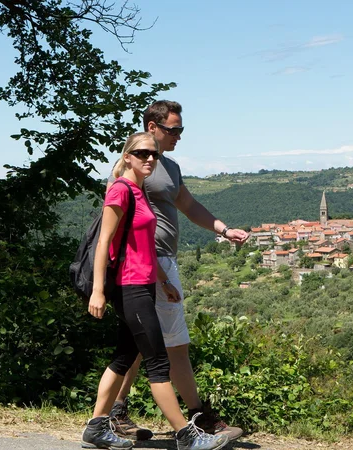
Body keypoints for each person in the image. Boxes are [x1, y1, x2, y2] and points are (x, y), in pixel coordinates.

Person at [106, 102, 250, 441]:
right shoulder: (137, 168)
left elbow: (187, 205)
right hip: (149, 264)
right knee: (171, 346)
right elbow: (123, 223)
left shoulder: (168, 167)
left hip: (161, 262)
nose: (179, 137)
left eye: (181, 130)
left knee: (143, 344)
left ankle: (114, 413)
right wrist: (161, 275)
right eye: (174, 130)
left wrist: (222, 229)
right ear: (152, 127)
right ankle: (198, 419)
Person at [82, 132, 228, 450]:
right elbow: (103, 242)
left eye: (155, 154)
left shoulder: (139, 192)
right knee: (158, 362)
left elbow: (145, 245)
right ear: (128, 157)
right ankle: (186, 436)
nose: (150, 158)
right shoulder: (120, 191)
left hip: (146, 283)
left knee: (123, 358)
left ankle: (95, 428)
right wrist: (97, 290)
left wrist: (163, 281)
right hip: (128, 286)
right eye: (144, 153)